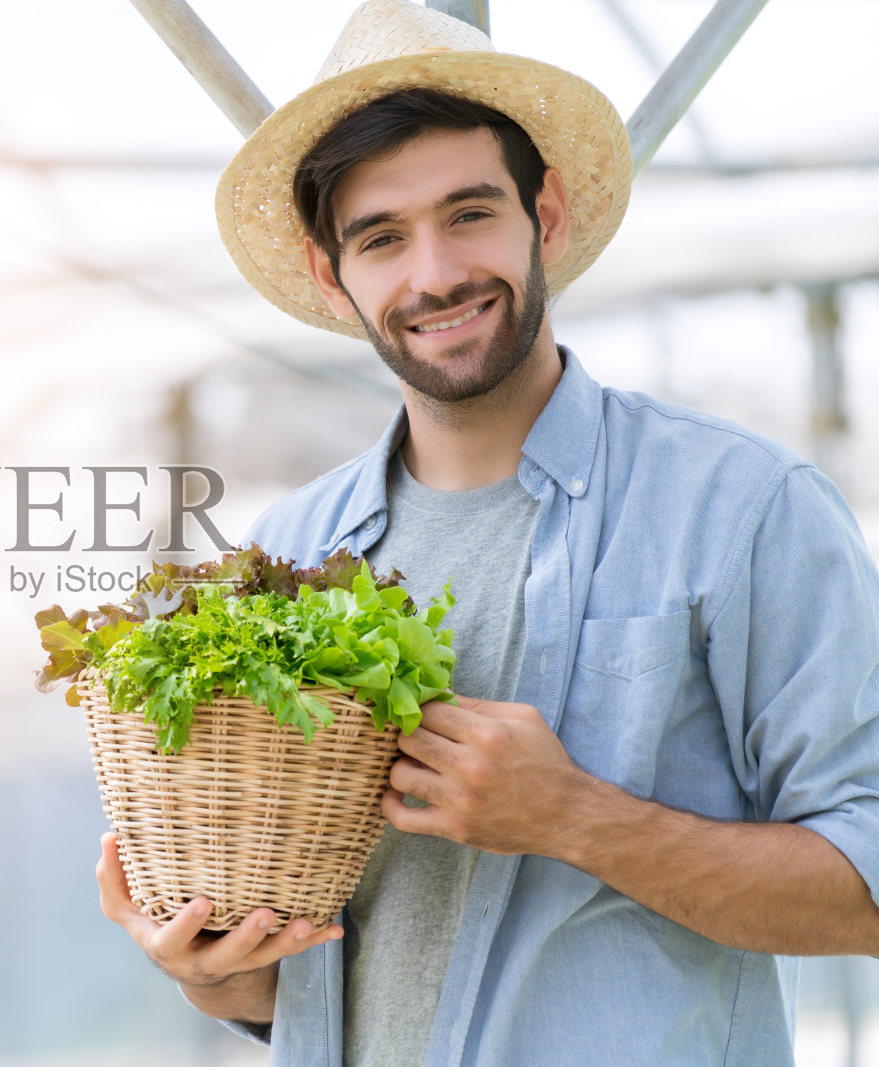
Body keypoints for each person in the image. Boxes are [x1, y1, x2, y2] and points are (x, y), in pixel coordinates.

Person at [94, 1, 879, 1064]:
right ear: (334, 278)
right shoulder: (290, 547)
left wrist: (573, 816)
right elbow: (330, 970)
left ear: (543, 216)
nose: (434, 275)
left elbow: (866, 891)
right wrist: (226, 975)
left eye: (469, 213)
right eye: (380, 238)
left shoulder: (739, 506)